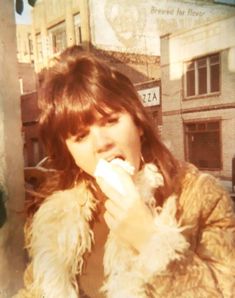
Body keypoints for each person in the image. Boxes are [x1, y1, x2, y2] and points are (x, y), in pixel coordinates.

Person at [15, 46, 235, 298]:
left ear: (138, 123)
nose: (101, 143)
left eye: (110, 120)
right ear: (70, 153)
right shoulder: (58, 215)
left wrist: (150, 241)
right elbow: (34, 291)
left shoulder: (200, 198)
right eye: (80, 136)